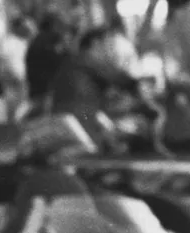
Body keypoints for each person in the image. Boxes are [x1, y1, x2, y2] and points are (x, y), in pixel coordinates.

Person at [47, 24, 154, 152]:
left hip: (77, 118)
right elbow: (118, 78)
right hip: (82, 119)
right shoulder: (87, 59)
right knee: (137, 125)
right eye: (108, 44)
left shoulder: (73, 61)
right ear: (96, 43)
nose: (111, 50)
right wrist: (140, 83)